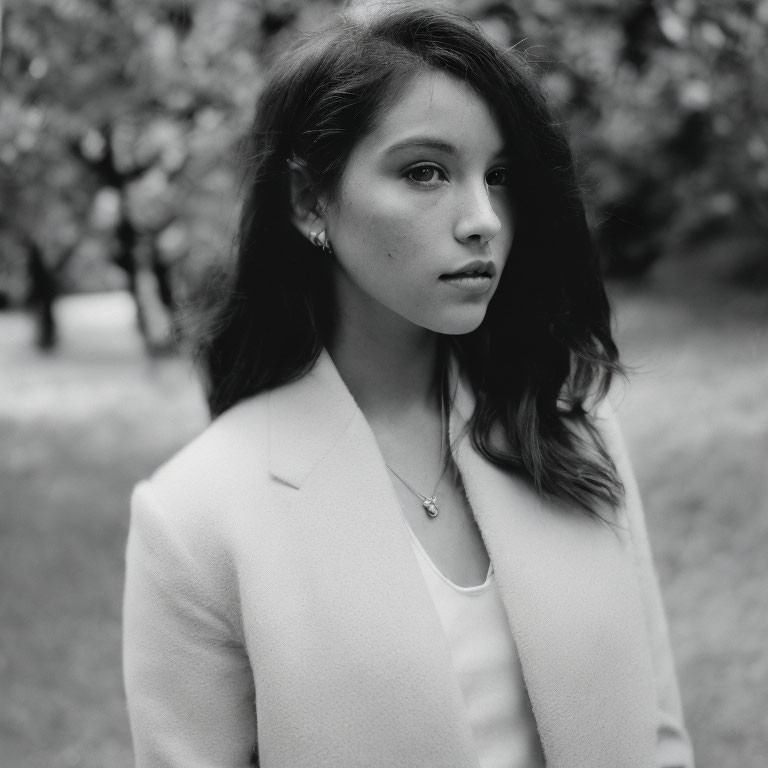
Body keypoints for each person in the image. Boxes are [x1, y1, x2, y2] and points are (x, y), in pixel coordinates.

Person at [122, 6, 695, 768]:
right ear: (307, 201)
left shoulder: (570, 426)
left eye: (499, 177)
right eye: (425, 171)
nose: (483, 218)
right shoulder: (195, 518)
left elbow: (657, 734)